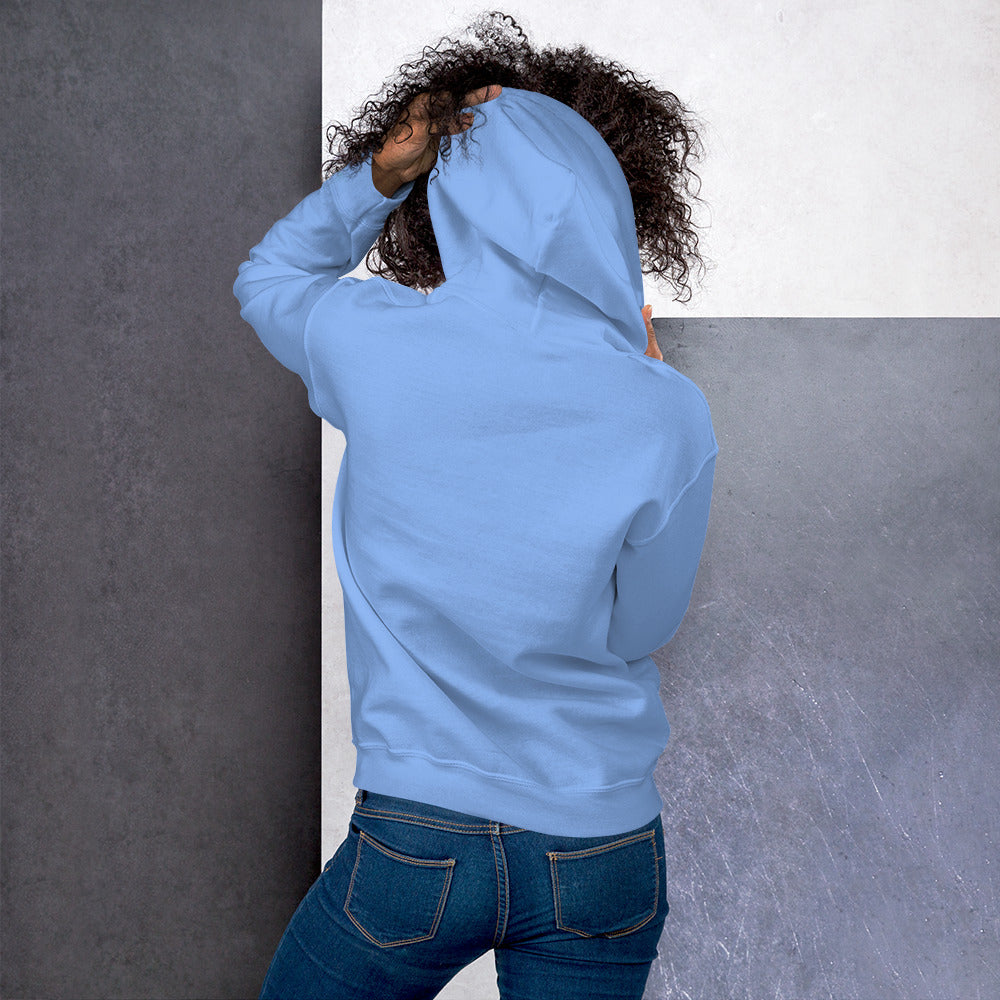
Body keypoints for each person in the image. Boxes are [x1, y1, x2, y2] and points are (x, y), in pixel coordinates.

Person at [233, 12, 718, 1000]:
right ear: (608, 205)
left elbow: (269, 278)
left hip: (418, 840)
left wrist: (378, 179)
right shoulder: (667, 409)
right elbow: (643, 628)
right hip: (602, 848)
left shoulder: (376, 343)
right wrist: (645, 380)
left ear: (449, 198)